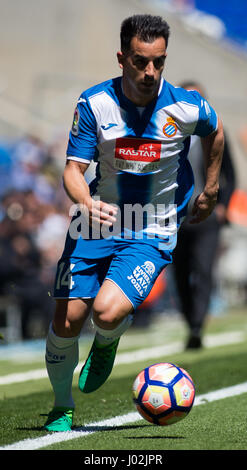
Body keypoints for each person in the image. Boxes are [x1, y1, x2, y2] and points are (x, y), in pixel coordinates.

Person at [43, 14, 224, 432]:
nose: (150, 72)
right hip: (97, 217)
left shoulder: (186, 105)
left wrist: (211, 189)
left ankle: (107, 340)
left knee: (105, 314)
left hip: (152, 225)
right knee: (66, 321)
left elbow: (215, 133)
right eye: (141, 61)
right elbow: (73, 170)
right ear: (122, 57)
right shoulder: (94, 103)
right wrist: (86, 201)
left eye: (159, 62)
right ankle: (61, 404)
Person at [172, 81, 235, 349]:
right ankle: (189, 319)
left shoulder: (215, 132)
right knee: (180, 272)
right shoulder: (167, 133)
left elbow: (229, 174)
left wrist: (223, 205)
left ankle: (197, 325)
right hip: (175, 218)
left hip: (208, 217)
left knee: (203, 269)